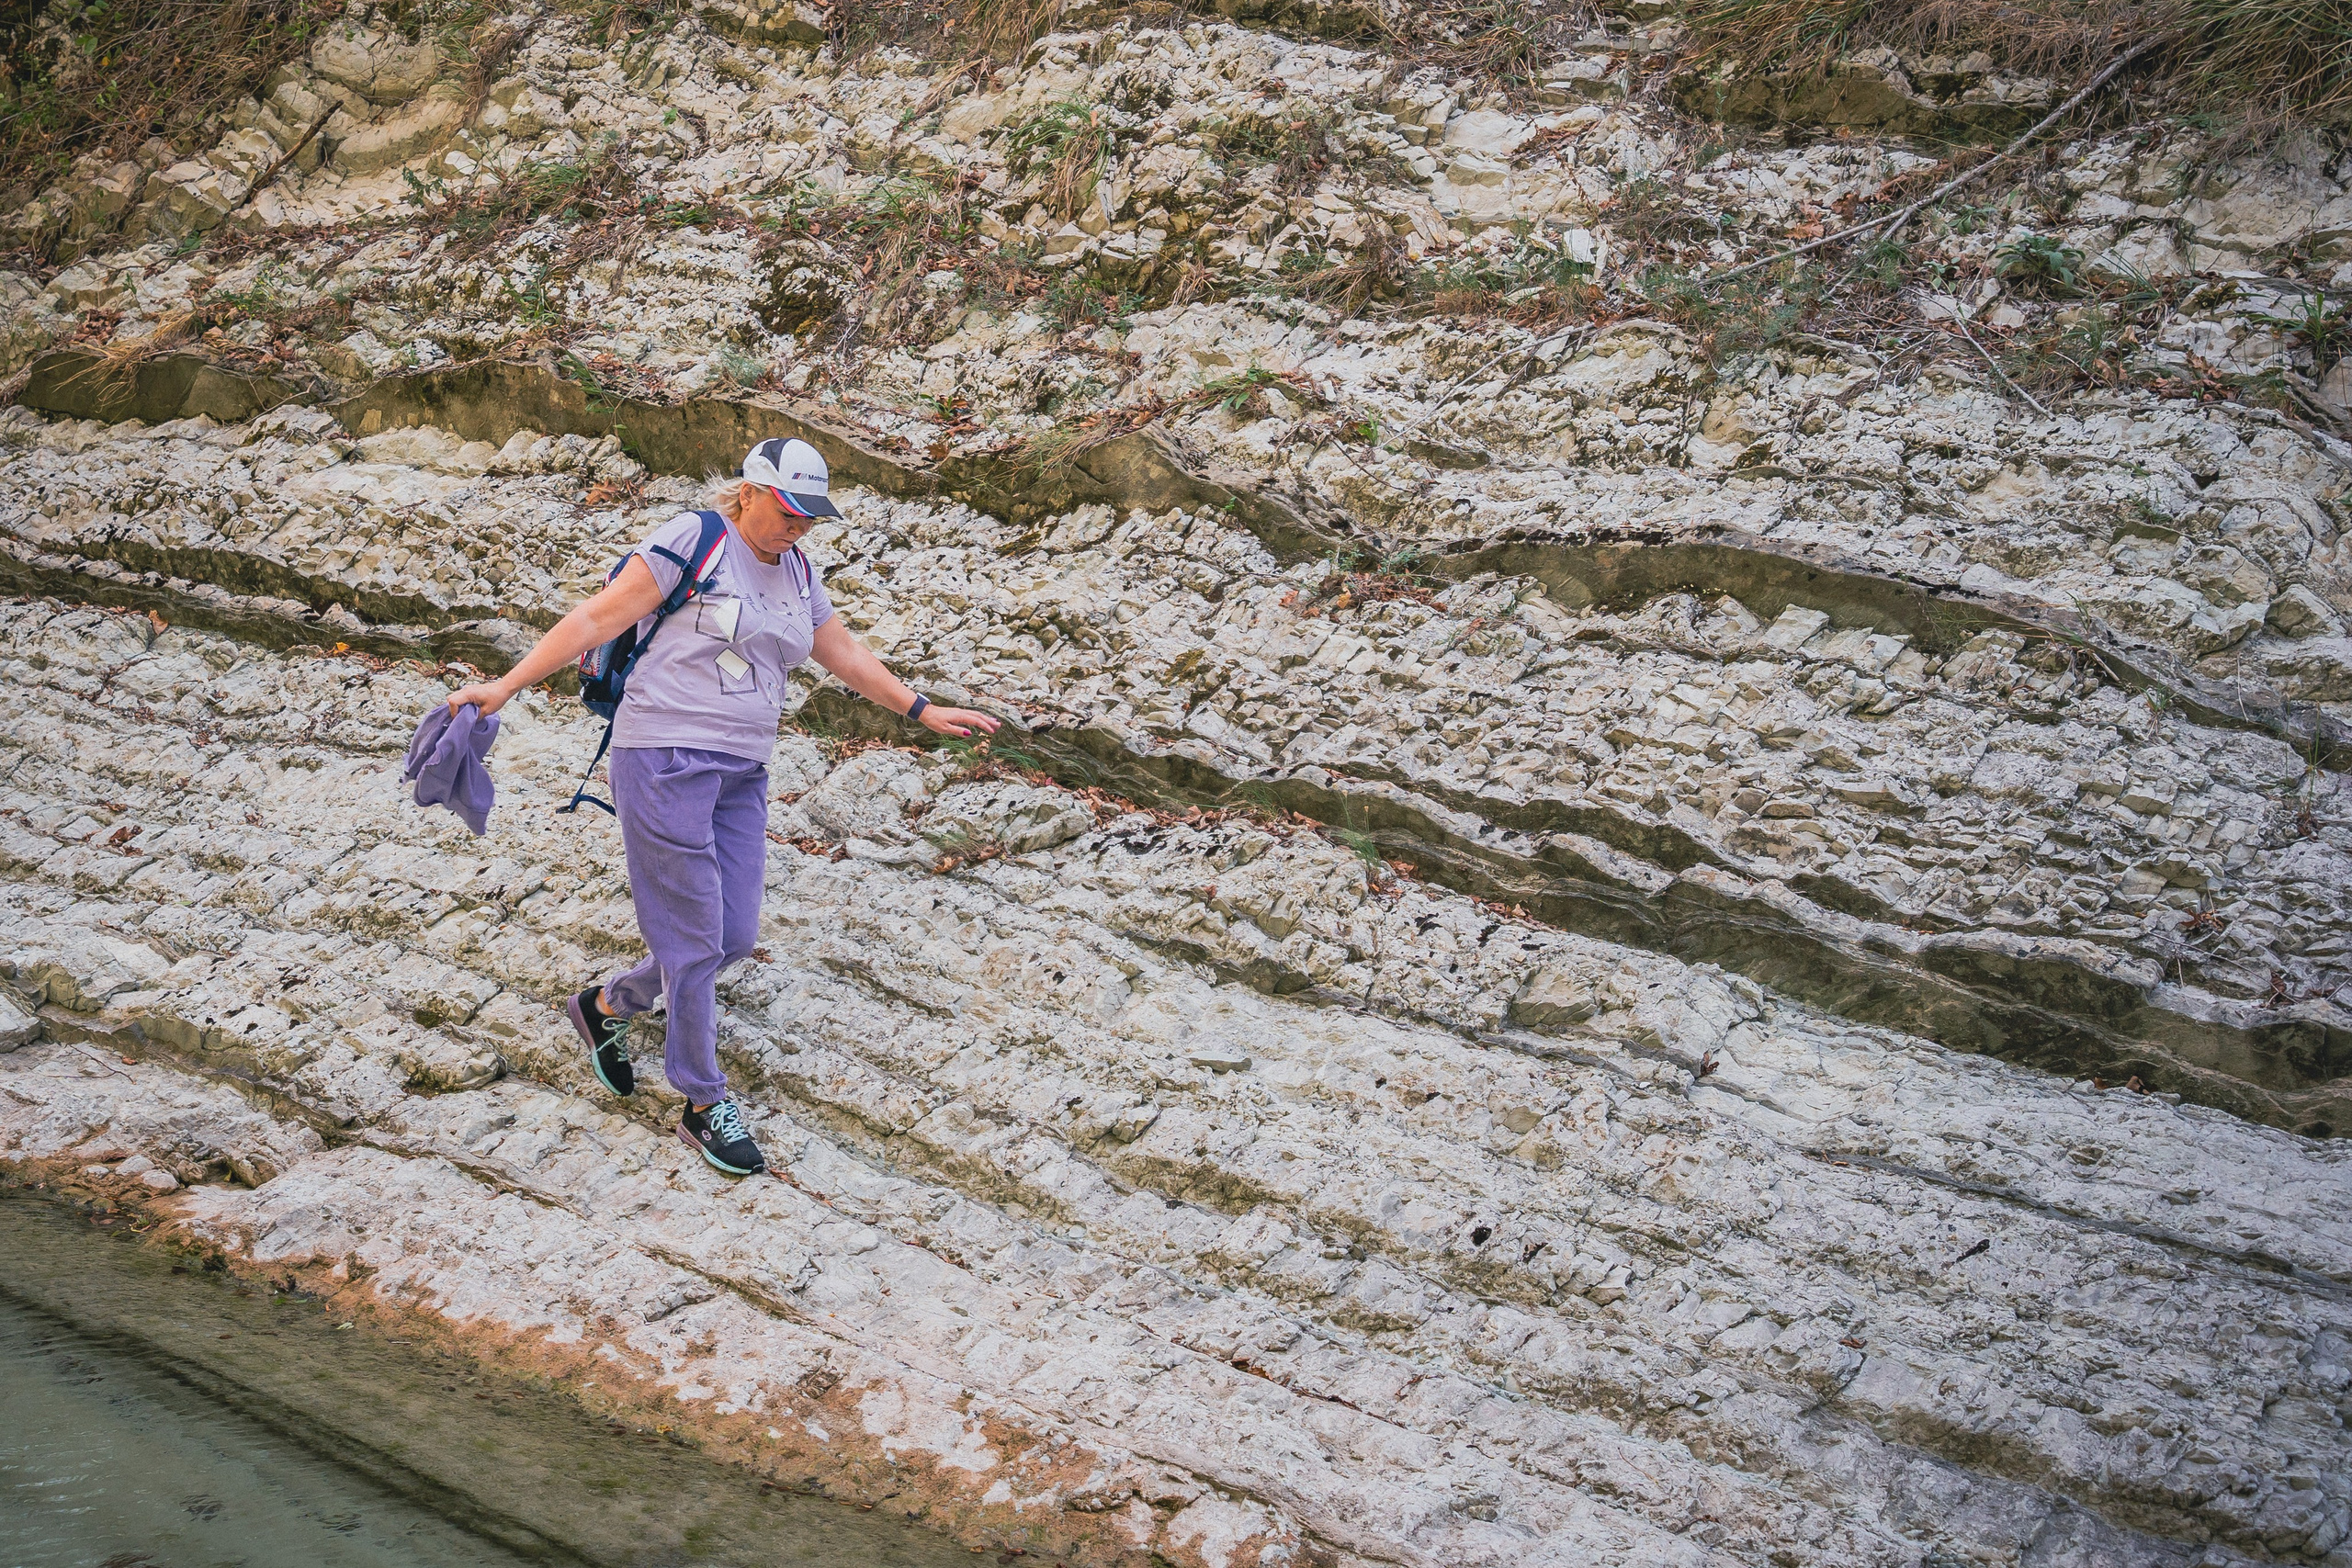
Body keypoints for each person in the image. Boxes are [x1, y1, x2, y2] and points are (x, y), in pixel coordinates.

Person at [444, 437, 1000, 1176]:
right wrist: (505, 685)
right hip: (662, 757)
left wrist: (920, 708)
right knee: (698, 939)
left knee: (731, 935)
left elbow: (841, 650)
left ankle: (606, 1007)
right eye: (788, 510)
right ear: (750, 490)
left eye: (811, 516)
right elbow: (594, 619)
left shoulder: (799, 570)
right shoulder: (695, 540)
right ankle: (704, 1102)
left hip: (743, 770)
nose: (798, 527)